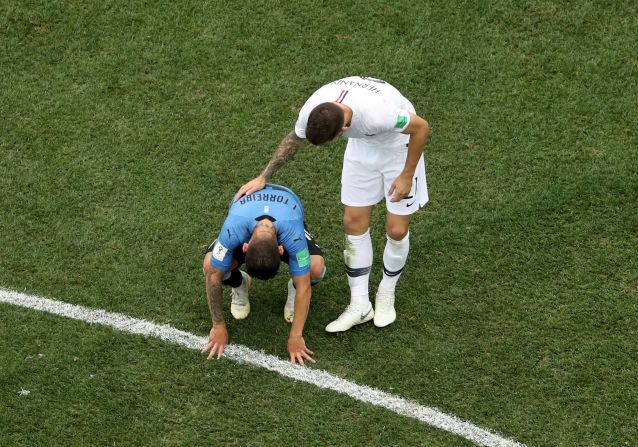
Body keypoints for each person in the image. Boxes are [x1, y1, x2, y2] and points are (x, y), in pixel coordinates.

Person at [236, 76, 429, 333]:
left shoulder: (378, 114)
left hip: (398, 147)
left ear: (343, 130)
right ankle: (359, 304)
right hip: (363, 147)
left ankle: (386, 292)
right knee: (353, 223)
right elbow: (293, 141)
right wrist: (263, 176)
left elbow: (421, 128)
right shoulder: (313, 109)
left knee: (396, 230)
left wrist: (406, 175)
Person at [201, 183, 326, 365]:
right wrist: (218, 325)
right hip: (245, 213)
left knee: (315, 268)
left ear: (282, 249)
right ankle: (239, 283)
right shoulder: (233, 229)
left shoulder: (294, 236)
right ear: (244, 247)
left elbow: (305, 284)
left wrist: (296, 336)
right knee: (210, 265)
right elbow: (212, 275)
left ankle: (293, 290)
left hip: (286, 211)